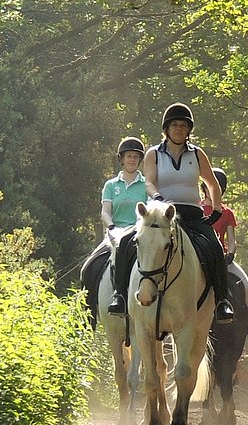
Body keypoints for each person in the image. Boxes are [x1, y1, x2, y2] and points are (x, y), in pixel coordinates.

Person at [108, 103, 234, 323]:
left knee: (214, 247)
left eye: (184, 125)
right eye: (175, 125)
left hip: (192, 214)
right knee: (125, 243)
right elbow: (148, 182)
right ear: (166, 128)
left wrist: (215, 209)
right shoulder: (153, 153)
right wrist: (156, 197)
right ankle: (119, 294)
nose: (179, 129)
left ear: (189, 130)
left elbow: (212, 185)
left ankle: (222, 301)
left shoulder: (197, 154)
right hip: (160, 213)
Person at [79, 136, 147, 329]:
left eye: (135, 157)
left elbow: (148, 212)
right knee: (88, 267)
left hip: (137, 233)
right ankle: (88, 316)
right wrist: (110, 227)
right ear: (122, 159)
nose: (132, 160)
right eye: (128, 156)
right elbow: (105, 212)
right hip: (115, 232)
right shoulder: (111, 185)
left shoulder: (145, 185)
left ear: (139, 160)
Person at [201, 169, 248, 346]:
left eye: (219, 188)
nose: (215, 191)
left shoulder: (227, 212)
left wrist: (230, 254)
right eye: (210, 187)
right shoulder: (198, 209)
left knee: (247, 286)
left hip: (223, 259)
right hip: (202, 259)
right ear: (204, 188)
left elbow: (231, 239)